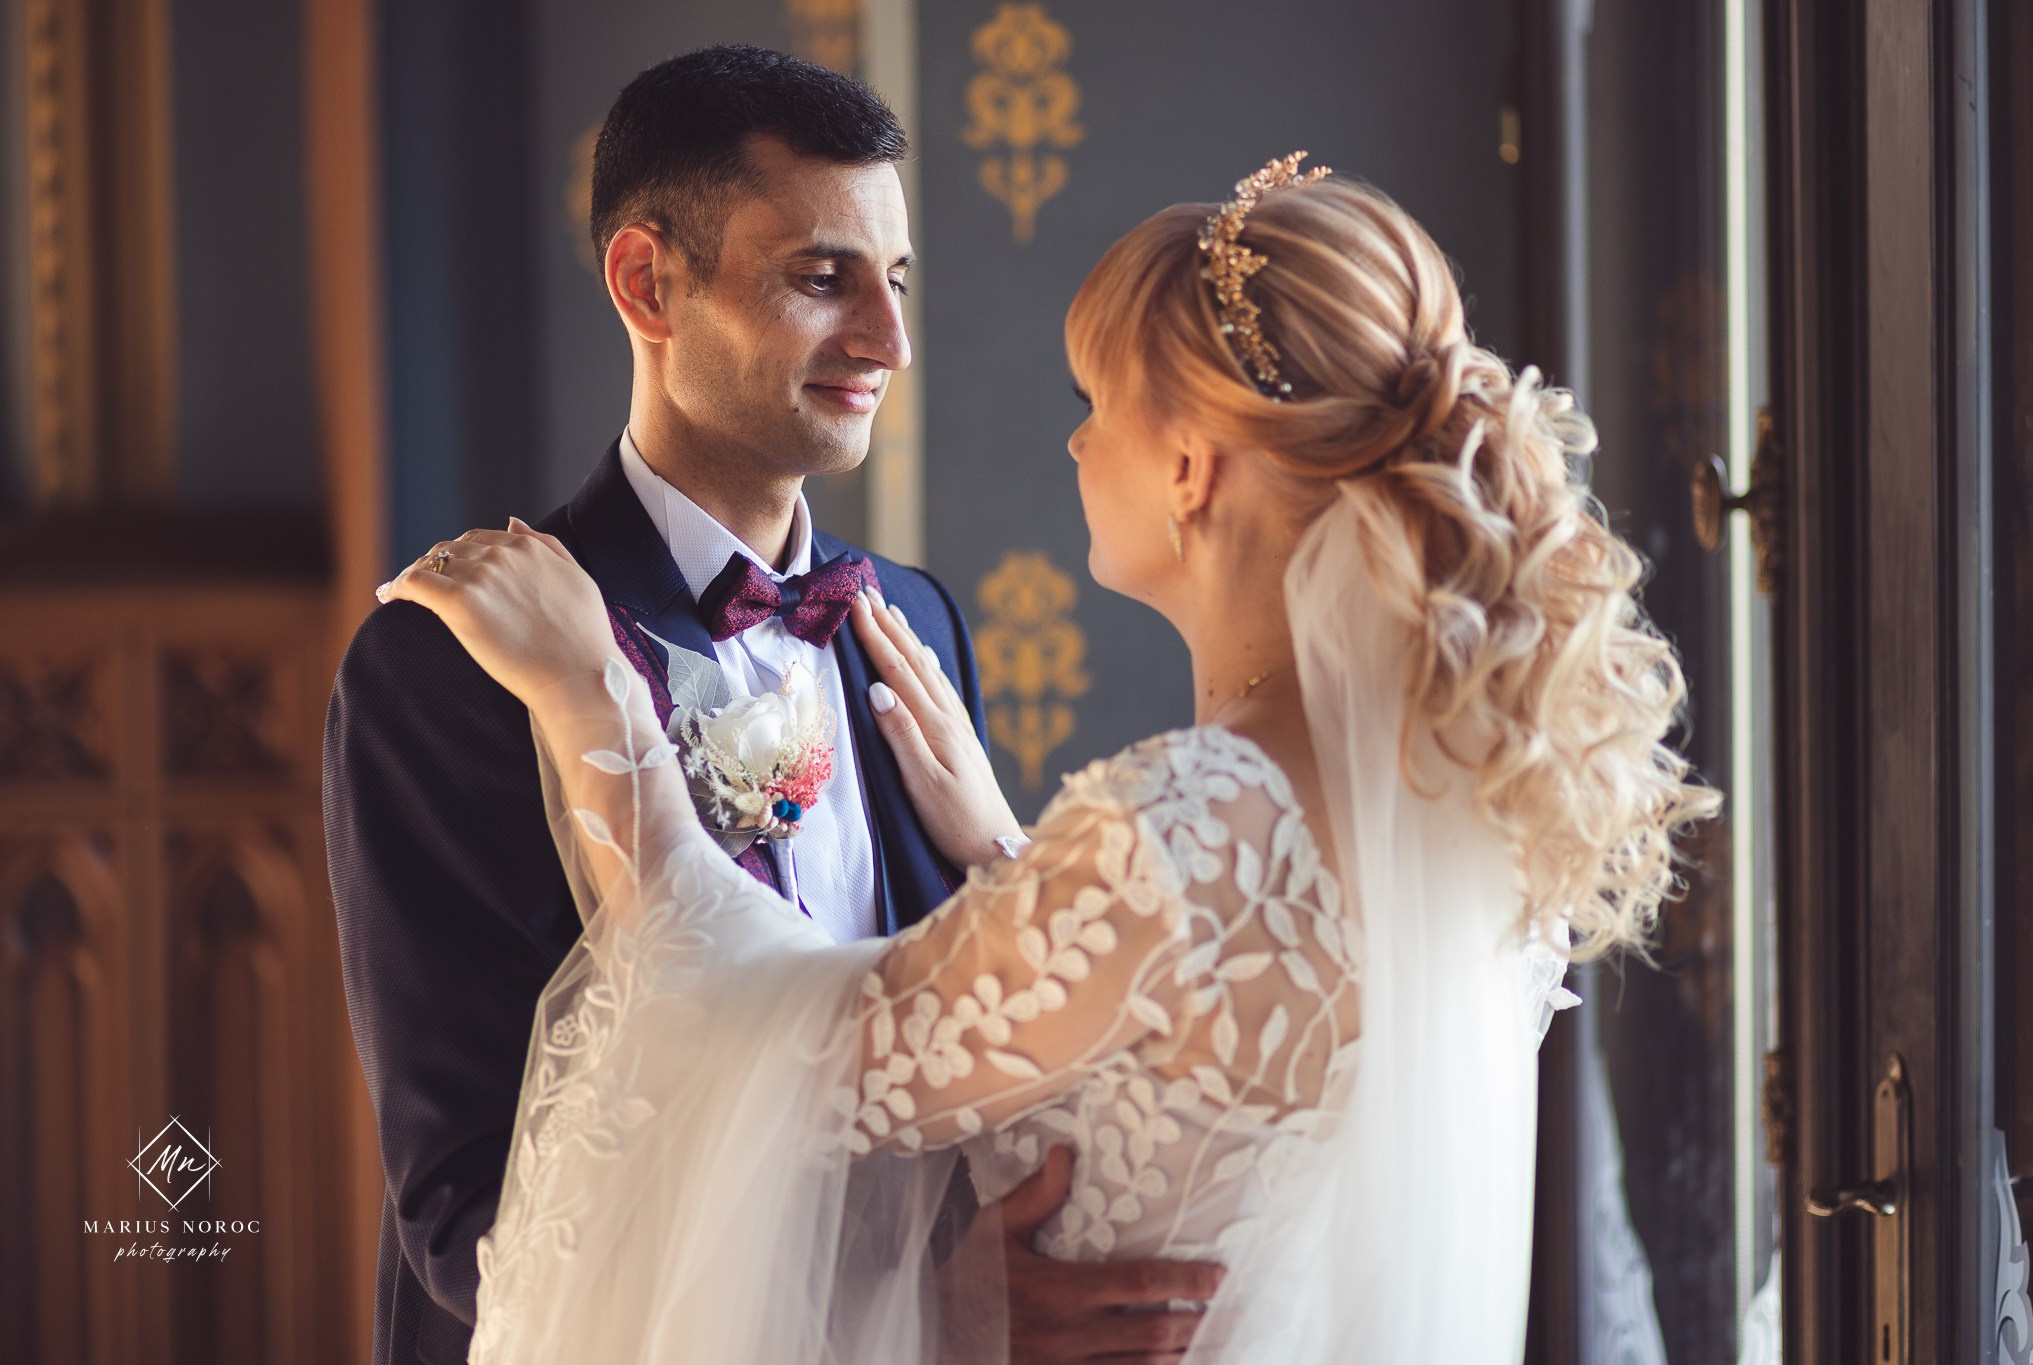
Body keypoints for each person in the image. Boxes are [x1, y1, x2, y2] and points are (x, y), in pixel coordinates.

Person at [383, 155, 1720, 1362]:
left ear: (1191, 465)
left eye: (1097, 404)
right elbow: (1218, 1039)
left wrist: (594, 710)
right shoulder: (1452, 802)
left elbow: (776, 1046)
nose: (1077, 441)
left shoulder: (1173, 828)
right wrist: (1014, 863)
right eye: (824, 275)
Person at [324, 45, 1215, 1365]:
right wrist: (907, 1314)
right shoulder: (455, 662)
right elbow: (471, 1213)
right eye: (822, 278)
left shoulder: (911, 621)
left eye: (896, 282)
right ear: (649, 283)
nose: (889, 341)